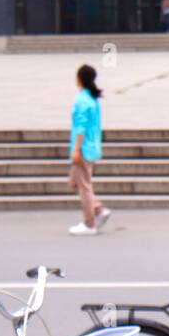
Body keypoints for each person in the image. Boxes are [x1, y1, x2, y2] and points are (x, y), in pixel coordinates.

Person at [67, 64, 110, 236]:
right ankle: (97, 209)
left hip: (84, 148)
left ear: (78, 79)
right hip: (91, 146)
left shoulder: (82, 100)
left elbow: (81, 127)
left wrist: (76, 150)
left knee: (83, 186)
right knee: (74, 182)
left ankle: (89, 222)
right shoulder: (92, 99)